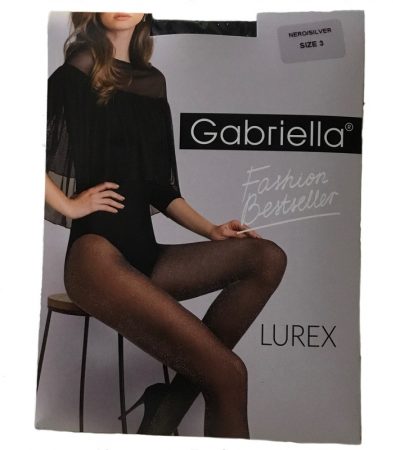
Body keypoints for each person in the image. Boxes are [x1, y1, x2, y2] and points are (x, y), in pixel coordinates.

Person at [44, 12, 287, 438]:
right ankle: (170, 407)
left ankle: (167, 405)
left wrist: (211, 231)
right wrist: (68, 203)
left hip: (145, 256)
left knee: (266, 257)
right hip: (96, 258)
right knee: (229, 376)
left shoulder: (152, 82)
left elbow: (158, 187)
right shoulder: (78, 69)